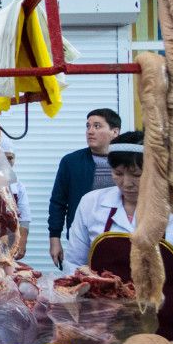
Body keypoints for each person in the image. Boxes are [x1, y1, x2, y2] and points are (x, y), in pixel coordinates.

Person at [65, 131, 173, 338]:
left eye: (137, 175)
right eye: (118, 173)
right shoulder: (92, 204)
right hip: (105, 332)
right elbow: (74, 267)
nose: (126, 183)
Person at [48, 108, 121, 268]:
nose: (90, 131)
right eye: (88, 126)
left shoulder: (124, 163)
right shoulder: (71, 162)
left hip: (119, 239)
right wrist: (54, 239)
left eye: (97, 126)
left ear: (115, 132)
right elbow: (58, 203)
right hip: (82, 239)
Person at [0, 134, 31, 260]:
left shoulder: (18, 186)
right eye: (3, 158)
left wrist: (22, 241)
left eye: (10, 158)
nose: (7, 162)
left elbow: (25, 216)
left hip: (8, 241)